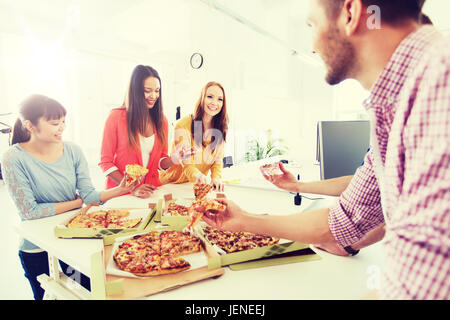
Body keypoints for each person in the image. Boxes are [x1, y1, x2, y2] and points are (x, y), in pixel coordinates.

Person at [203, 0, 449, 299]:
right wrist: (243, 220)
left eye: (312, 25)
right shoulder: (395, 102)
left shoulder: (439, 87)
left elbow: (420, 291)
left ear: (351, 13)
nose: (312, 46)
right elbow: (344, 219)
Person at [1, 94, 139, 300]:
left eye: (63, 121)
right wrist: (75, 203)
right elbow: (29, 211)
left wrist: (120, 189)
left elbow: (89, 195)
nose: (62, 127)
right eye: (55, 123)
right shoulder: (13, 157)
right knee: (46, 295)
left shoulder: (73, 151)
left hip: (73, 243)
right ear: (30, 126)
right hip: (37, 248)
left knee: (87, 290)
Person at [99, 65, 191, 198]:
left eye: (157, 91)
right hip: (123, 194)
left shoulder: (161, 121)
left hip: (152, 192)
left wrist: (173, 159)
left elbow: (160, 162)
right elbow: (105, 162)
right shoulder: (116, 117)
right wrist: (132, 188)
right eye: (147, 90)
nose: (153, 96)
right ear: (135, 91)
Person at [159, 81, 229, 192]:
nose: (215, 103)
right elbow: (187, 164)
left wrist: (216, 177)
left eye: (220, 99)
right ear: (202, 98)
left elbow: (217, 160)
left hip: (196, 185)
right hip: (172, 185)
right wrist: (199, 176)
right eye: (210, 97)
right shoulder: (183, 125)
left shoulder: (220, 126)